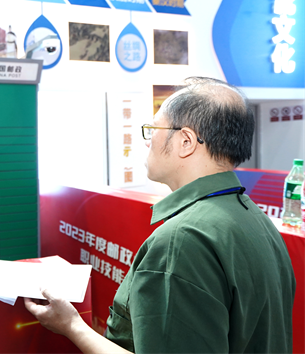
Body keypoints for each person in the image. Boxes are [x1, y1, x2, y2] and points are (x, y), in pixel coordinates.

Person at [25, 77, 296, 354]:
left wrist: (71, 325)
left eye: (153, 129)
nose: (147, 142)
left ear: (186, 141)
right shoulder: (256, 220)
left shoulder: (182, 240)